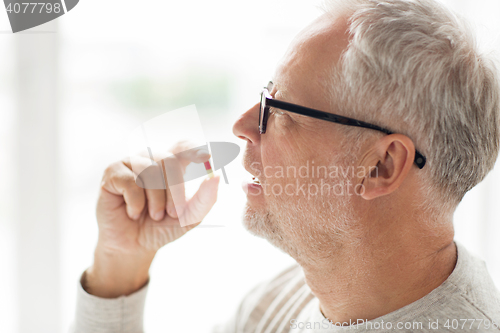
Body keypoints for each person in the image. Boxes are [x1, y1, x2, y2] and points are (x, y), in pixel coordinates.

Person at [71, 0, 500, 332]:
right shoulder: (293, 296)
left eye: (280, 111)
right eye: (264, 98)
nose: (242, 126)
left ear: (381, 167)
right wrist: (119, 263)